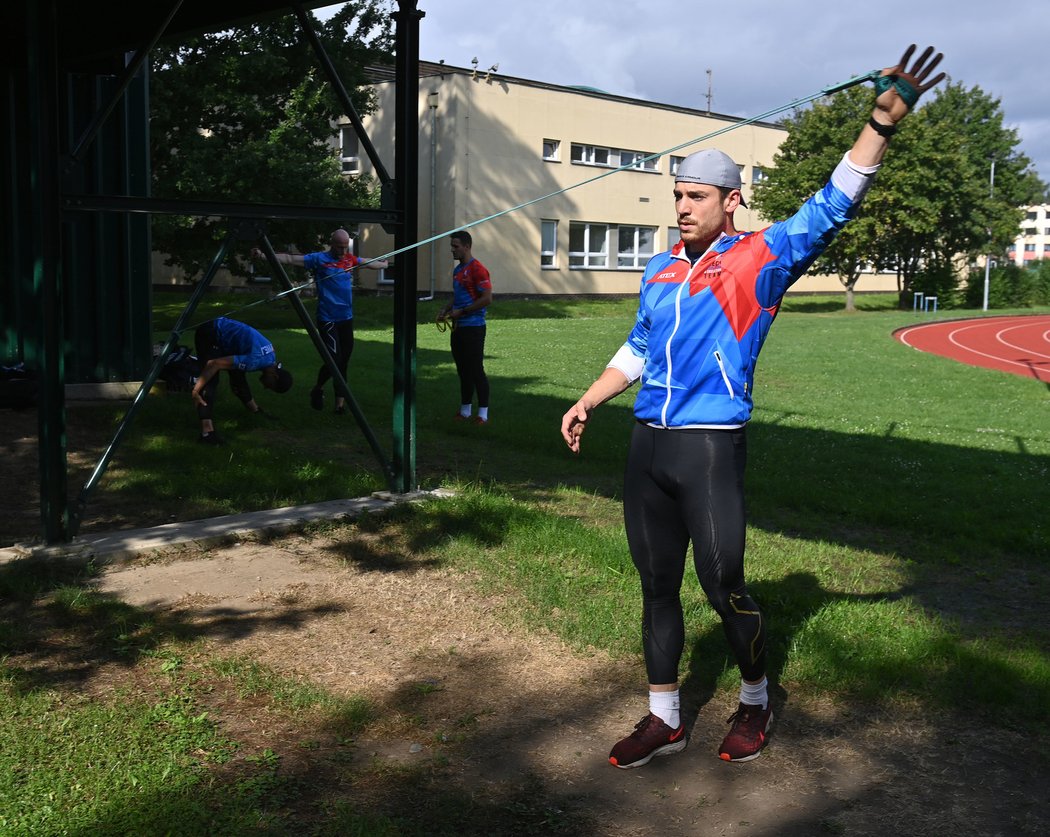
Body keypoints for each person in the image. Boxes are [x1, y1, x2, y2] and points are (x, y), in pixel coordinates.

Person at [560, 46, 944, 769]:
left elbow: (831, 206)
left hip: (709, 447)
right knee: (655, 585)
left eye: (695, 196)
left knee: (724, 585)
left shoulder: (760, 260)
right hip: (648, 444)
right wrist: (590, 398)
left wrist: (879, 127)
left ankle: (757, 697)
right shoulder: (660, 268)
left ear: (729, 200)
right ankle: (664, 716)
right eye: (677, 195)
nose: (681, 207)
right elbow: (639, 346)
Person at [254, 229, 387, 415]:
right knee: (334, 359)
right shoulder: (318, 259)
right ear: (331, 244)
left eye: (345, 247)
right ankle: (318, 388)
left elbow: (367, 263)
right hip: (328, 319)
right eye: (339, 247)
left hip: (346, 318)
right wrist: (263, 255)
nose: (342, 251)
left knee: (344, 361)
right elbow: (291, 259)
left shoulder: (349, 259)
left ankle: (339, 405)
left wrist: (383, 264)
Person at [190, 316, 293, 445]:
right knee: (210, 382)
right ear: (275, 376)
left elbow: (238, 379)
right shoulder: (254, 361)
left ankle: (255, 411)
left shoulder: (271, 356)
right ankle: (206, 433)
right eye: (270, 385)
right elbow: (213, 364)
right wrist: (196, 390)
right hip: (210, 333)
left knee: (238, 377)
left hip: (225, 333)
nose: (265, 387)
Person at [437, 231, 493, 425]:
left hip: (474, 328)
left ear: (467, 246)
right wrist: (446, 308)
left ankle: (483, 414)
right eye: (452, 246)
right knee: (462, 370)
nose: (452, 250)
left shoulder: (478, 269)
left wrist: (463, 311)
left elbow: (487, 298)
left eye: (456, 246)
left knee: (476, 369)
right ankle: (465, 411)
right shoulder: (457, 270)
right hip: (458, 327)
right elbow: (458, 295)